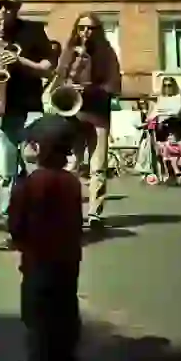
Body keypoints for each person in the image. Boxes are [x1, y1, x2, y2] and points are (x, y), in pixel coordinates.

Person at [0, 0, 55, 251]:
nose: (3, 10)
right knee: (5, 175)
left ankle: (40, 228)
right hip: (1, 111)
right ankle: (14, 229)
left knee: (33, 171)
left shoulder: (33, 31)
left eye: (8, 5)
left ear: (17, 7)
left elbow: (48, 69)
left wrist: (20, 61)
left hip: (30, 109)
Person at [7, 114, 83, 361]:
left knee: (37, 313)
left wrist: (18, 240)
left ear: (37, 148)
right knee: (65, 309)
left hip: (38, 258)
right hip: (68, 258)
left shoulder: (30, 184)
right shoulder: (71, 182)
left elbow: (16, 223)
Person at [52, 12, 122, 228]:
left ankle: (95, 214)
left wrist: (89, 90)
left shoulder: (107, 53)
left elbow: (114, 86)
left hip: (98, 114)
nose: (85, 33)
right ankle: (68, 211)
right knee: (71, 164)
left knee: (98, 165)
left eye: (90, 28)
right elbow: (58, 79)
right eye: (81, 28)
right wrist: (67, 80)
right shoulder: (69, 52)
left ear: (97, 31)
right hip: (73, 115)